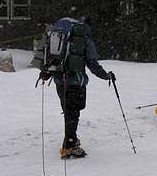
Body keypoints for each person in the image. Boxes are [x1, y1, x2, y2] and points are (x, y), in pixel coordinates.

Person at [39, 16, 115, 159]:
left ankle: (71, 139)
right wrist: (106, 76)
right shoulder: (84, 39)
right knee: (73, 113)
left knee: (68, 111)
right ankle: (70, 146)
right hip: (75, 81)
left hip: (59, 79)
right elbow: (92, 63)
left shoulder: (60, 34)